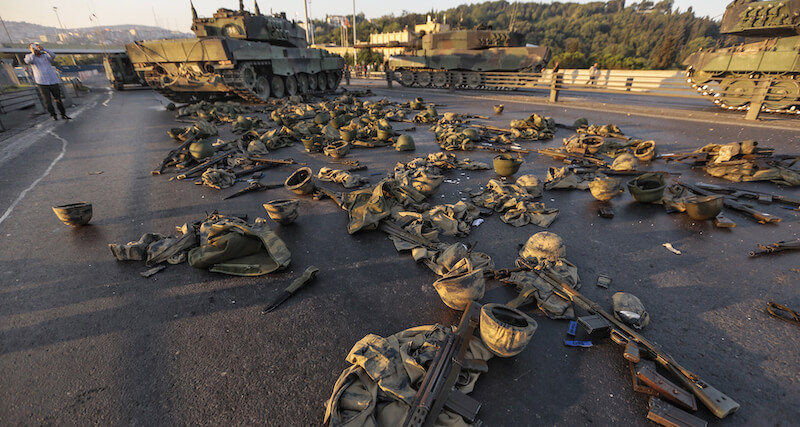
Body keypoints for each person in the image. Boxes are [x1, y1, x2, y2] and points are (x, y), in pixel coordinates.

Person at [24, 42, 71, 121]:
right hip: (42, 82)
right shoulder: (29, 57)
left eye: (36, 47)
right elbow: (28, 61)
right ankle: (53, 115)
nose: (36, 49)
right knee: (47, 100)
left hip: (53, 80)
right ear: (30, 49)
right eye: (33, 48)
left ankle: (63, 114)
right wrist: (33, 52)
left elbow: (53, 55)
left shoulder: (45, 56)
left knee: (58, 99)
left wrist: (44, 49)